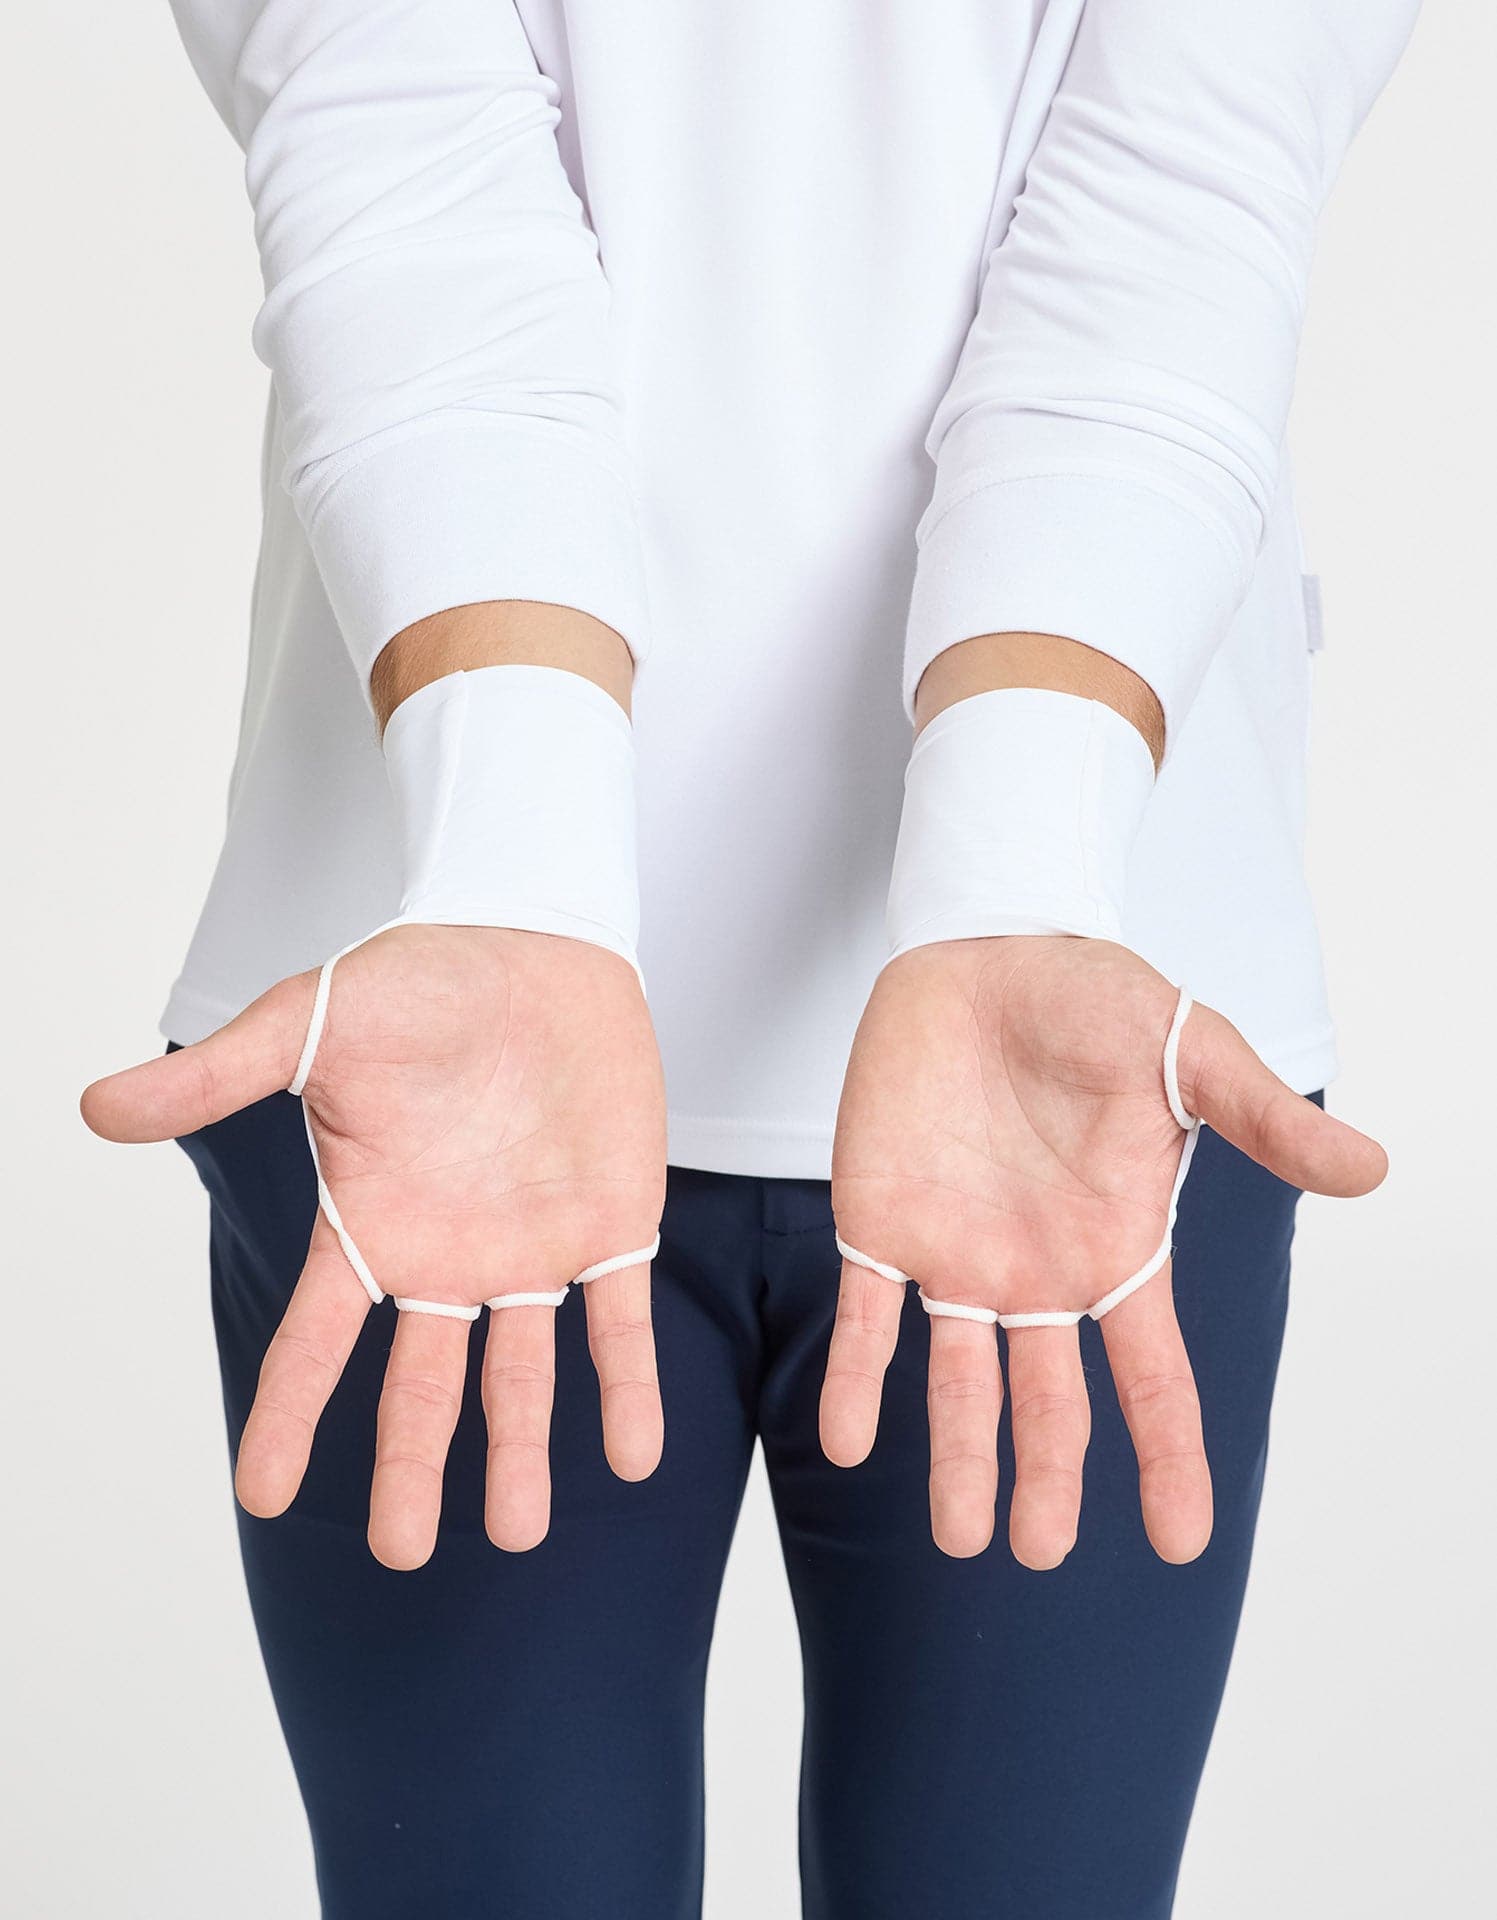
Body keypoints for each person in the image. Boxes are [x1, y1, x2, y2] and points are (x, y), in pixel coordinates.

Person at [82, 2, 1419, 1915]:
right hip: (441, 1048)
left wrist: (1015, 864)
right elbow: (395, 157)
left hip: (1080, 1068)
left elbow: (1180, 195)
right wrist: (521, 856)